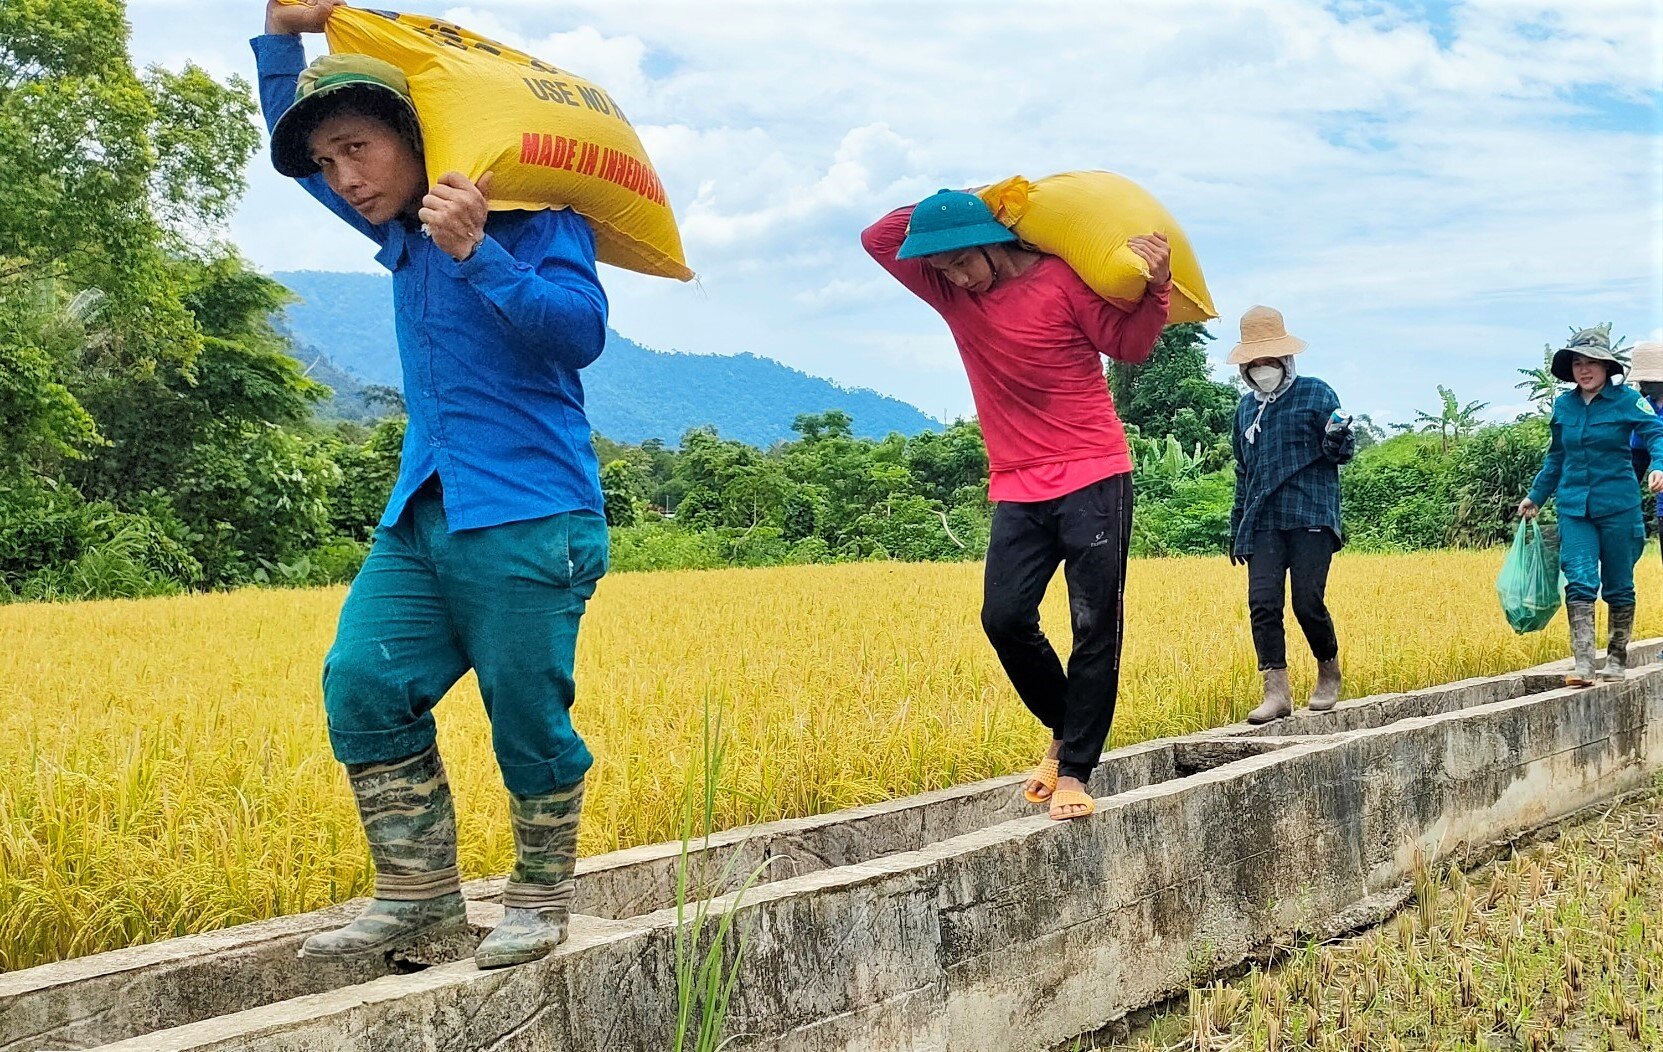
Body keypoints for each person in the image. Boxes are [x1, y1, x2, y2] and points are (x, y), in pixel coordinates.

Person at [255, 0, 609, 968]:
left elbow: (581, 331)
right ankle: (418, 900)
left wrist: (480, 254)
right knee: (364, 679)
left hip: (532, 511)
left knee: (525, 708)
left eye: (358, 149)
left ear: (415, 136)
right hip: (425, 509)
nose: (345, 177)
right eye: (329, 163)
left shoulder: (539, 218)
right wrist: (281, 36)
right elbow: (298, 116)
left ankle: (539, 899)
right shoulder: (398, 224)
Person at [862, 189, 1171, 821]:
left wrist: (1157, 290)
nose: (953, 279)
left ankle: (1076, 769)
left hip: (1093, 472)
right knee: (1003, 617)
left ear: (989, 243)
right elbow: (877, 236)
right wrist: (981, 194)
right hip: (1017, 483)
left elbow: (1129, 346)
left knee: (1094, 625)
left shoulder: (1058, 281)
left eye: (960, 263)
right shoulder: (949, 292)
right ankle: (1065, 728)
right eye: (942, 269)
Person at [1225, 307, 1355, 723]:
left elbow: (1341, 453)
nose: (1262, 370)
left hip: (1310, 513)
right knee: (1262, 604)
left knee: (1306, 601)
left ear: (1286, 361)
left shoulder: (1317, 394)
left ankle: (1328, 670)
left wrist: (1338, 435)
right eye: (1254, 363)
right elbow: (1243, 473)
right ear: (1245, 368)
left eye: (1269, 361)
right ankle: (1276, 691)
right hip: (1263, 521)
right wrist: (1237, 527)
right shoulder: (1246, 410)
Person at [1519, 327, 1663, 686]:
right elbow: (1556, 456)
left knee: (1618, 584)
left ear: (1607, 367)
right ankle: (1583, 665)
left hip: (1619, 505)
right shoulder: (1564, 405)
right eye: (1579, 363)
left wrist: (1659, 464)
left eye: (1592, 363)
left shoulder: (1628, 402)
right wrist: (1536, 496)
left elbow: (1655, 434)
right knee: (1580, 581)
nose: (1585, 370)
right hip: (1574, 506)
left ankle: (1616, 658)